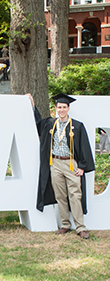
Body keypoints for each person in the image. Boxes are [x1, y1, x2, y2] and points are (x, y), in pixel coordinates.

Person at [28, 93, 95, 239]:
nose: (61, 110)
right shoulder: (50, 123)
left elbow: (84, 146)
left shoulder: (77, 126)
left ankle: (80, 227)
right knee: (60, 195)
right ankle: (65, 224)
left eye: (64, 107)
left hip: (71, 163)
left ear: (68, 108)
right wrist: (33, 105)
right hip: (55, 163)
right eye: (59, 107)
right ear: (56, 108)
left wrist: (82, 166)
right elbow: (38, 124)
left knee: (75, 195)